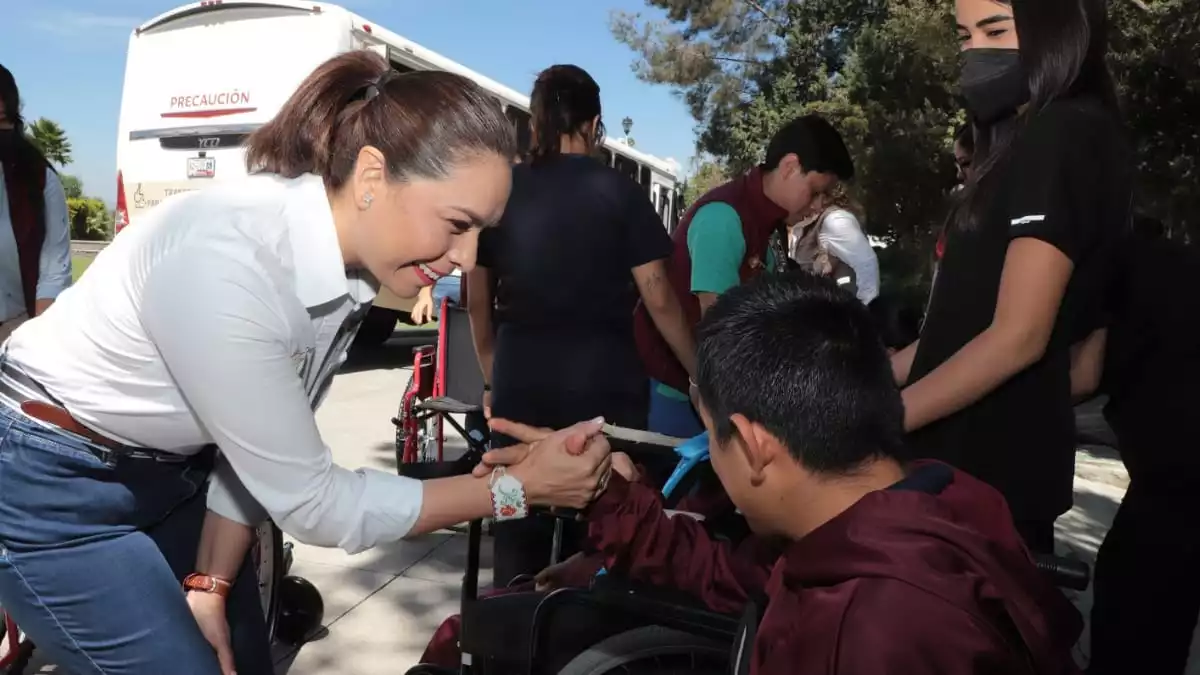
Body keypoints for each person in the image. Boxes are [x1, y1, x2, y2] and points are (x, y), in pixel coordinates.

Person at [0, 51, 612, 675]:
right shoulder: (233, 262)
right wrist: (515, 490)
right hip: (47, 480)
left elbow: (255, 458)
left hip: (166, 472)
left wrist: (209, 585)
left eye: (483, 231)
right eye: (457, 224)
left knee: (243, 656)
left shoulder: (349, 273)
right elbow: (315, 503)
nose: (466, 257)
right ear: (372, 177)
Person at [464, 273, 1084, 674]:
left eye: (713, 434)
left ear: (757, 446)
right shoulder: (906, 509)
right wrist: (608, 495)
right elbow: (729, 576)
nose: (712, 451)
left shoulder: (884, 633)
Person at [893, 0, 1133, 553]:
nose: (975, 50)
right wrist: (877, 373)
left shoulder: (1061, 133)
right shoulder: (1034, 141)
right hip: (984, 475)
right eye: (964, 35)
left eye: (996, 29)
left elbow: (1018, 335)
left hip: (977, 486)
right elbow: (974, 326)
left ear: (1058, 28)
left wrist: (885, 416)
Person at [466, 64, 695, 586]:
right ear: (594, 124)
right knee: (601, 521)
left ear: (539, 122)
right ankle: (583, 640)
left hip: (520, 380)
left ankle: (508, 619)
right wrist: (698, 371)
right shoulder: (620, 192)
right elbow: (658, 296)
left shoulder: (502, 192)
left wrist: (491, 375)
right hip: (603, 386)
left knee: (515, 504)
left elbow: (478, 300)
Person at [634, 115, 854, 438]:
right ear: (790, 167)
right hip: (679, 395)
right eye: (816, 192)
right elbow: (720, 328)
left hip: (710, 389)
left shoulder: (768, 221)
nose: (818, 206)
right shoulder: (724, 218)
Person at [1070, 216, 1200, 675]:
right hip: (1176, 472)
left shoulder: (1099, 268)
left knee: (1136, 621)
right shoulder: (1167, 266)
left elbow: (1080, 377)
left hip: (1174, 480)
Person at [0, 63, 71, 343]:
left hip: (17, 328)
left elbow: (55, 271)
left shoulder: (39, 179)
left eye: (2, 122)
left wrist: (37, 342)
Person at [788, 182, 880, 304]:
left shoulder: (835, 220)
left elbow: (867, 264)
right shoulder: (808, 223)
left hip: (842, 309)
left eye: (813, 195)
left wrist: (863, 308)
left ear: (827, 196)